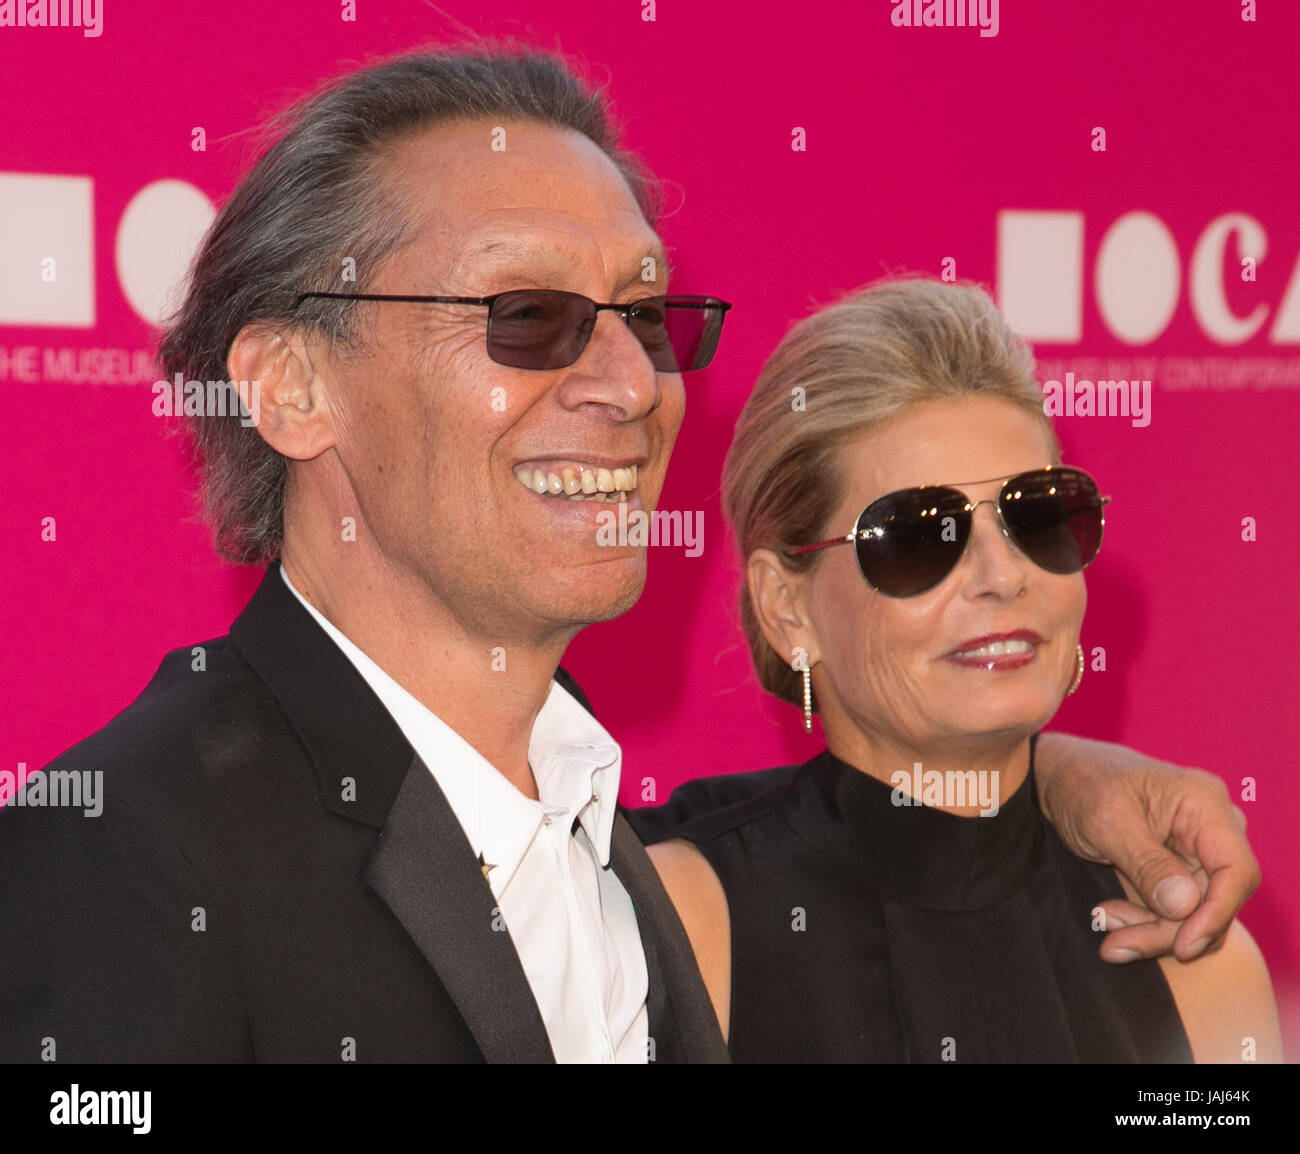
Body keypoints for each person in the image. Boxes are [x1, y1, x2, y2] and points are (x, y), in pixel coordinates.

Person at [0, 46, 1261, 1064]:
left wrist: (1057, 777)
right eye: (525, 315)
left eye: (643, 315)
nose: (628, 381)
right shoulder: (119, 855)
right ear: (290, 385)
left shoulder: (598, 827)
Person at [634, 278, 1282, 1063]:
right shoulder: (682, 925)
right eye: (918, 538)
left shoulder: (1198, 964)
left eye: (1038, 515)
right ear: (787, 608)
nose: (1003, 576)